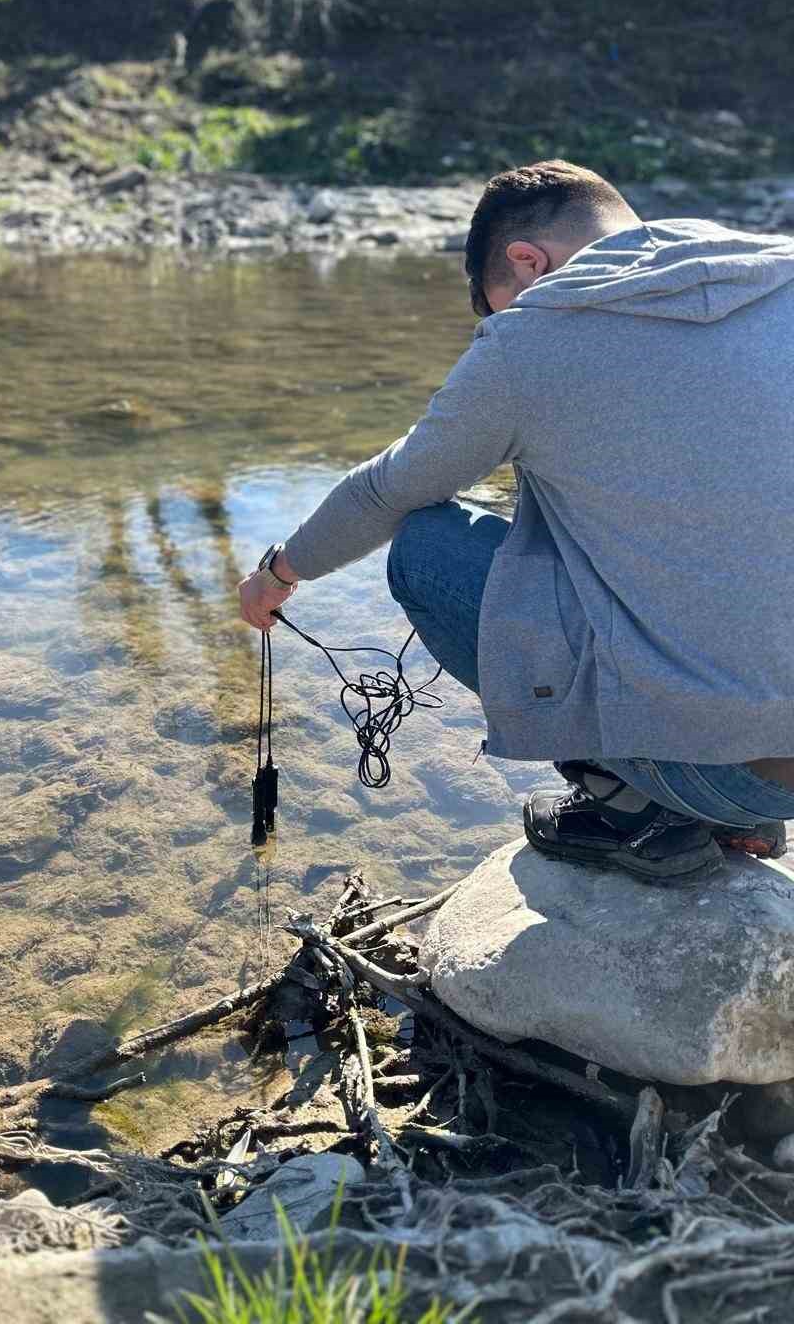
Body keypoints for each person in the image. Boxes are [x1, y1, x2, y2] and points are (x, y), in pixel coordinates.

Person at [239, 160, 794, 886]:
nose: (500, 325)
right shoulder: (778, 271)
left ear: (526, 262)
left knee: (428, 547)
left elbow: (387, 491)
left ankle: (637, 805)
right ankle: (733, 798)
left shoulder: (533, 337)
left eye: (497, 307)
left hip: (722, 772)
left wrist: (278, 573)